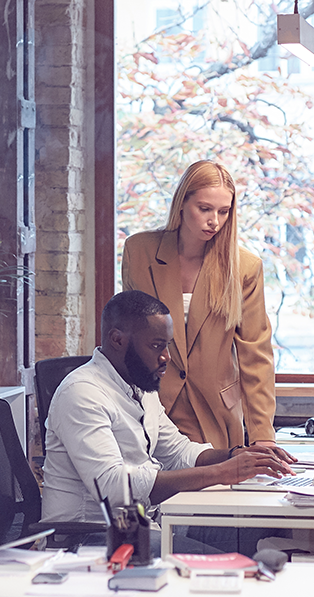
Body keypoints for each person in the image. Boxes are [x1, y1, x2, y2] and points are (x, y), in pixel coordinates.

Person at [41, 289, 291, 597]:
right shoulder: (82, 394)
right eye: (158, 346)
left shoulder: (138, 386)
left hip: (137, 524)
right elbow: (114, 487)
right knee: (229, 572)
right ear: (117, 339)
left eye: (168, 345)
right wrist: (218, 475)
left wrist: (238, 456)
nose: (168, 357)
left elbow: (176, 449)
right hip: (91, 536)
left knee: (251, 538)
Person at [120, 160, 285, 460]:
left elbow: (255, 356)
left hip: (215, 415)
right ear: (182, 203)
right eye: (205, 209)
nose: (215, 221)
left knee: (216, 503)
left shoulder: (245, 268)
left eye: (224, 212)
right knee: (156, 501)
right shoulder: (139, 251)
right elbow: (127, 339)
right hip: (151, 409)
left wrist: (262, 437)